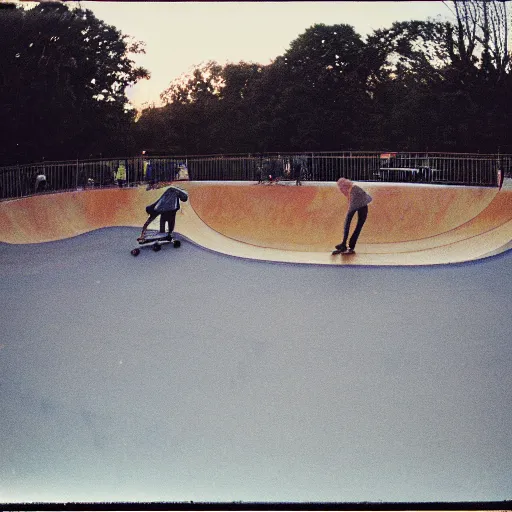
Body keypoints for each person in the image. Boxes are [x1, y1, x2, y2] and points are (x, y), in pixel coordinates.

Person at [334, 178, 372, 254]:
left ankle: (348, 245)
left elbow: (353, 206)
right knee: (352, 224)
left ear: (344, 186)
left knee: (350, 223)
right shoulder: (350, 190)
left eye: (341, 188)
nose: (341, 190)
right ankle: (346, 244)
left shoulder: (354, 191)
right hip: (362, 205)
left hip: (362, 206)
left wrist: (349, 212)